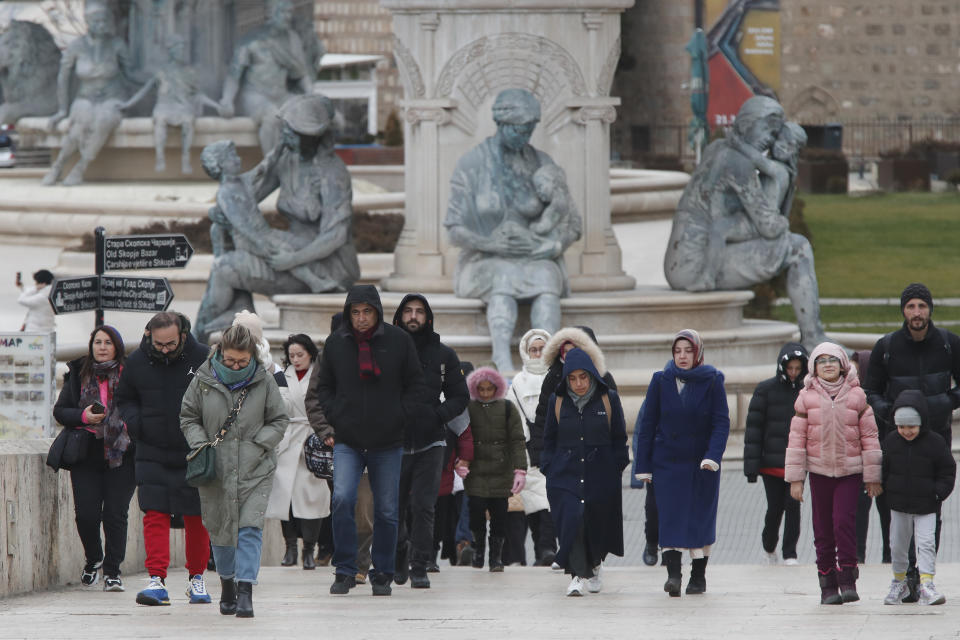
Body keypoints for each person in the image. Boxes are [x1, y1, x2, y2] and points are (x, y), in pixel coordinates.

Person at [663, 96, 827, 351]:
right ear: (748, 123)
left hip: (681, 260)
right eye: (767, 129)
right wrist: (782, 222)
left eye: (775, 134)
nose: (769, 140)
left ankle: (813, 335)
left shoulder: (717, 148)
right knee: (798, 248)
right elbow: (766, 225)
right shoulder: (738, 163)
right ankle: (813, 337)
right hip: (696, 265)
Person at [194, 94, 360, 341]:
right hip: (285, 254)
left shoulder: (332, 173)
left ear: (311, 137)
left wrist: (292, 260)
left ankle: (199, 342)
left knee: (224, 268)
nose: (285, 137)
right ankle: (224, 326)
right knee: (223, 247)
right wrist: (220, 209)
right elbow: (247, 195)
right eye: (285, 130)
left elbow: (336, 236)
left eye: (292, 132)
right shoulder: (287, 161)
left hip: (327, 265)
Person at [444, 88, 581, 372]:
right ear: (502, 124)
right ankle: (502, 361)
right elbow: (454, 230)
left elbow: (573, 221)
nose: (525, 137)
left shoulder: (543, 163)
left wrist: (553, 247)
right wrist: (491, 244)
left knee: (547, 277)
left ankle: (548, 360)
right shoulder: (472, 165)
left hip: (535, 258)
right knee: (503, 278)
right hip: (484, 259)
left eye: (530, 129)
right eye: (519, 130)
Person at [311, 284, 424, 596]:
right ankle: (345, 569)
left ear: (377, 312)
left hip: (387, 441)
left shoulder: (398, 341)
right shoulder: (336, 343)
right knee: (342, 499)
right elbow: (324, 387)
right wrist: (336, 416)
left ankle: (383, 571)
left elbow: (416, 384)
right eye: (355, 312)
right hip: (348, 440)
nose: (361, 318)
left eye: (367, 312)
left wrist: (399, 415)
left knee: (387, 510)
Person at [180, 324, 287, 618]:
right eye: (230, 360)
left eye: (242, 361)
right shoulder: (202, 379)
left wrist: (258, 445)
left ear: (251, 356)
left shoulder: (264, 380)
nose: (236, 366)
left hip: (255, 467)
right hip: (216, 467)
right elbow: (188, 416)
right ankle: (227, 584)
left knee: (250, 528)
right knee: (221, 529)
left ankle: (245, 592)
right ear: (220, 354)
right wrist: (201, 445)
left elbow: (279, 419)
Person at [863, 282, 960, 601]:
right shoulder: (887, 345)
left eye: (921, 306)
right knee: (895, 507)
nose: (916, 312)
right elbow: (871, 388)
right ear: (903, 311)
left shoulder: (948, 343)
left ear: (930, 309)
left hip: (935, 435)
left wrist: (945, 403)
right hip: (896, 436)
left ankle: (924, 573)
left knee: (930, 507)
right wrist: (886, 411)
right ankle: (902, 573)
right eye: (910, 306)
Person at [116, 311, 212, 606]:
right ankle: (156, 579)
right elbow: (124, 398)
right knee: (154, 513)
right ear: (150, 337)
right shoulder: (135, 361)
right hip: (151, 449)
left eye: (171, 344)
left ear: (183, 334)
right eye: (159, 345)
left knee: (197, 516)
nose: (166, 349)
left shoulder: (205, 358)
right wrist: (137, 424)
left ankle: (197, 578)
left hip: (193, 449)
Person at [785, 343, 882, 605]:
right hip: (819, 472)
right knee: (823, 529)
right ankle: (827, 584)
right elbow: (796, 440)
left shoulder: (857, 396)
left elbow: (870, 437)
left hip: (850, 472)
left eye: (833, 360)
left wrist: (873, 476)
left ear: (843, 364)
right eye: (821, 361)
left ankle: (848, 577)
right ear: (814, 368)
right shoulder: (806, 397)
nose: (828, 364)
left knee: (843, 522)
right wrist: (796, 479)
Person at [635, 329, 730, 597]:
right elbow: (647, 424)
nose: (682, 356)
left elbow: (721, 422)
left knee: (699, 519)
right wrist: (643, 465)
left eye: (688, 351)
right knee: (670, 517)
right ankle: (673, 576)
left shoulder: (712, 380)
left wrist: (713, 455)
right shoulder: (661, 380)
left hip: (702, 464)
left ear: (698, 352)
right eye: (678, 351)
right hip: (667, 462)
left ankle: (698, 577)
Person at [390, 294, 469, 588]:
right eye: (408, 311)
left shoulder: (444, 355)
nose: (414, 316)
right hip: (393, 441)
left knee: (424, 506)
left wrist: (438, 416)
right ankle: (399, 557)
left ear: (428, 317)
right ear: (398, 317)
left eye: (419, 312)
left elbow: (460, 395)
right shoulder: (386, 350)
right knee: (392, 506)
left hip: (431, 442)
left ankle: (420, 564)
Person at [53, 325, 135, 592]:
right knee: (86, 515)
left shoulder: (130, 375)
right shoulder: (78, 373)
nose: (101, 347)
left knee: (115, 515)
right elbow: (61, 411)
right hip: (85, 452)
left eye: (107, 342)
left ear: (117, 347)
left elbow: (141, 409)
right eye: (97, 342)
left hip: (121, 453)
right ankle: (93, 558)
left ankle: (113, 571)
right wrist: (84, 417)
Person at [542, 348, 629, 596]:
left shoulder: (607, 398)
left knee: (595, 523)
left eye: (583, 377)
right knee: (573, 521)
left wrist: (616, 467)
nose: (578, 383)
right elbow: (548, 439)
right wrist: (549, 467)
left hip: (600, 475)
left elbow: (619, 437)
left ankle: (595, 562)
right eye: (572, 378)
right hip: (565, 475)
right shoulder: (557, 401)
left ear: (591, 375)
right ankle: (577, 576)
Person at [200, 140, 334, 293]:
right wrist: (260, 243)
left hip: (265, 233)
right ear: (221, 165)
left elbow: (264, 166)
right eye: (232, 156)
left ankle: (325, 276)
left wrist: (280, 145)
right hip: (248, 239)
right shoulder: (225, 193)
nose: (239, 159)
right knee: (284, 250)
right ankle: (315, 283)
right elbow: (240, 224)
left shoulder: (242, 181)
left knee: (297, 243)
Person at [531, 326, 616, 567]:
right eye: (565, 351)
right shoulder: (553, 378)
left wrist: (614, 461)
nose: (569, 356)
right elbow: (542, 419)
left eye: (575, 350)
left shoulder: (604, 379)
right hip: (563, 459)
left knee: (592, 512)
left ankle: (591, 559)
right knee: (566, 512)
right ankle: (572, 557)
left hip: (595, 459)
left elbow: (614, 423)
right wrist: (542, 458)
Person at [42, 1, 146, 186]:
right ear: (88, 22)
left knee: (103, 121)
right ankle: (58, 166)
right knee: (79, 127)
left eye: (105, 20)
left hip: (113, 97)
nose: (102, 25)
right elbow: (63, 78)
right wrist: (62, 110)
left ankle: (80, 168)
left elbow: (130, 73)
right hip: (85, 97)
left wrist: (154, 79)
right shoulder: (76, 46)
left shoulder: (116, 44)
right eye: (97, 21)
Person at [882, 390, 956, 606]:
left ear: (921, 423)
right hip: (898, 505)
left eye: (911, 427)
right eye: (902, 427)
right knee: (897, 545)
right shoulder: (891, 441)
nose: (907, 432)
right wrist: (887, 489)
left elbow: (947, 471)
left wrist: (938, 492)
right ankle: (899, 582)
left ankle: (926, 583)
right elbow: (883, 469)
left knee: (925, 544)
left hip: (926, 505)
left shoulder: (935, 442)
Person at [265, 334, 330, 570]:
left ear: (310, 353)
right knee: (285, 498)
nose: (296, 359)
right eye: (292, 355)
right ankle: (290, 548)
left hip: (312, 440)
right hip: (287, 440)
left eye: (300, 355)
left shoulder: (320, 374)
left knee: (312, 496)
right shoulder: (282, 375)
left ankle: (309, 550)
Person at [743, 342, 808, 565]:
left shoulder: (807, 392)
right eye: (790, 368)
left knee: (793, 506)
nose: (793, 373)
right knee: (775, 508)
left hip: (797, 462)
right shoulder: (765, 389)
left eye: (798, 369)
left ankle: (790, 552)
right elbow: (754, 429)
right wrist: (751, 468)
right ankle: (769, 547)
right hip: (771, 464)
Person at [218, 0, 313, 152]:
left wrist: (312, 96)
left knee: (308, 114)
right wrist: (227, 99)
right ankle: (271, 163)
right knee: (272, 116)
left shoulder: (292, 39)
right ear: (270, 14)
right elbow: (234, 74)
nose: (288, 17)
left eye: (290, 12)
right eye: (284, 12)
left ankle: (301, 163)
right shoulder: (252, 40)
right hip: (256, 96)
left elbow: (301, 74)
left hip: (281, 95)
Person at [463, 366, 528, 571]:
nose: (485, 394)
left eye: (489, 389)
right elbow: (462, 436)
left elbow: (517, 440)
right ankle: (479, 550)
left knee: (500, 517)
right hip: (476, 472)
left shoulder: (508, 408)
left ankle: (496, 557)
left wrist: (520, 469)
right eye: (481, 389)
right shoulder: (469, 408)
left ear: (496, 388)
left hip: (501, 471)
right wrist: (461, 461)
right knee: (476, 514)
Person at [506, 329, 555, 566]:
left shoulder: (557, 376)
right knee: (532, 504)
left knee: (548, 503)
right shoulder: (517, 382)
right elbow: (512, 416)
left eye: (541, 349)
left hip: (552, 447)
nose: (537, 354)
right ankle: (540, 551)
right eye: (533, 350)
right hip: (527, 451)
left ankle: (547, 549)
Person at [851, 350, 889, 564]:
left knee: (888, 515)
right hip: (858, 466)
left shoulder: (880, 398)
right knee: (857, 514)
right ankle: (857, 558)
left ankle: (890, 558)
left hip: (884, 464)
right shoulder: (848, 396)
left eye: (856, 372)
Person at [17, 269, 54, 333]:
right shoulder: (51, 293)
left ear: (42, 283)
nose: (35, 284)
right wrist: (22, 287)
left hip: (36, 332)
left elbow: (21, 300)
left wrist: (35, 288)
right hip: (46, 330)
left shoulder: (42, 297)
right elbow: (30, 293)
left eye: (36, 282)